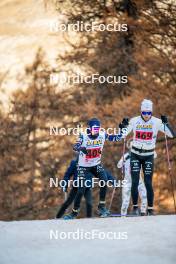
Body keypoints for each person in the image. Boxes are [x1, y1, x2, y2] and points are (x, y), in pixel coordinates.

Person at [64, 117, 125, 219]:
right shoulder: (83, 135)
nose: (96, 131)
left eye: (97, 129)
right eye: (94, 129)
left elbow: (117, 138)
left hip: (95, 164)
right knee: (81, 189)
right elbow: (75, 146)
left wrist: (123, 130)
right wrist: (81, 148)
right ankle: (74, 213)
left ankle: (101, 207)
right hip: (83, 166)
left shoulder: (102, 134)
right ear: (89, 128)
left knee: (104, 180)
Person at [122, 99, 175, 215]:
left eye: (149, 113)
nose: (146, 115)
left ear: (151, 112)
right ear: (141, 112)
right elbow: (122, 135)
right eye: (144, 113)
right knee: (135, 181)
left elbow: (172, 135)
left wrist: (166, 124)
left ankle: (150, 209)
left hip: (148, 155)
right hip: (135, 154)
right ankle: (135, 208)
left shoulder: (156, 122)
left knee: (148, 182)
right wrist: (123, 126)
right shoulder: (134, 121)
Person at [117, 139, 148, 216]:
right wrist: (124, 160)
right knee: (125, 200)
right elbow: (119, 165)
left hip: (139, 180)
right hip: (127, 181)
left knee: (144, 196)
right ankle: (123, 215)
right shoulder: (126, 156)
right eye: (131, 146)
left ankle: (143, 212)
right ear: (129, 147)